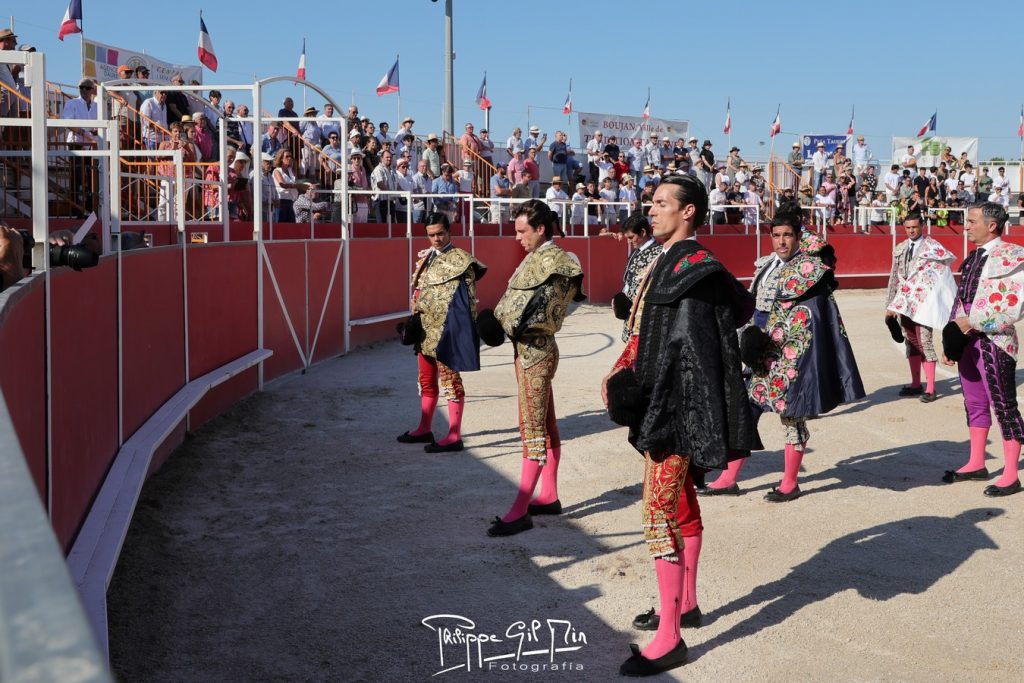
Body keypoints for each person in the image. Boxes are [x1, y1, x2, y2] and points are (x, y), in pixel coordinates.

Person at [601, 176, 756, 676]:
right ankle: (684, 603)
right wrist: (622, 375)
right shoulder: (667, 261)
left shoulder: (695, 268)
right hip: (664, 403)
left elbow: (688, 356)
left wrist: (656, 402)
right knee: (681, 502)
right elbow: (644, 334)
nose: (652, 210)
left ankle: (670, 638)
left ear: (689, 211)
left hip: (675, 411)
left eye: (662, 203)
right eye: (651, 203)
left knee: (657, 513)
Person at [699, 203, 865, 500]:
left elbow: (810, 319)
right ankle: (729, 478)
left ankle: (789, 483)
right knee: (744, 412)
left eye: (788, 235)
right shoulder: (764, 265)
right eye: (776, 235)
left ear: (799, 237)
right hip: (756, 355)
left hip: (789, 356)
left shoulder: (809, 270)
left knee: (792, 417)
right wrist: (745, 340)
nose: (782, 241)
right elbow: (753, 307)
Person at [484, 200, 584, 537]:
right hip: (527, 353)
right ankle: (549, 496)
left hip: (536, 353)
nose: (518, 238)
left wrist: (501, 325)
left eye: (522, 231)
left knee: (532, 428)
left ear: (540, 229)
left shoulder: (561, 263)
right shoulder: (536, 258)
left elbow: (544, 315)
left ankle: (520, 511)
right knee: (545, 424)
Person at [940, 202, 1024, 496]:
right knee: (974, 402)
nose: (966, 227)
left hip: (995, 340)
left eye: (972, 221)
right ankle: (977, 462)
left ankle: (1011, 474)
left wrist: (970, 322)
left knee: (1003, 404)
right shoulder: (973, 258)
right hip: (967, 341)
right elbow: (961, 299)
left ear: (991, 225)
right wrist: (952, 338)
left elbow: (1015, 306)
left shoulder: (1015, 257)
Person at [396, 213, 487, 452]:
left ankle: (454, 435)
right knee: (426, 380)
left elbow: (466, 302)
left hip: (446, 331)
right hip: (424, 331)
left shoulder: (462, 260)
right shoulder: (426, 257)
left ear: (449, 232)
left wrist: (458, 333)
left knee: (451, 382)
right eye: (431, 235)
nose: (436, 239)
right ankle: (424, 428)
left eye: (440, 234)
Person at [885, 211, 956, 402]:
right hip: (905, 303)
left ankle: (931, 388)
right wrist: (890, 304)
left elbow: (942, 277)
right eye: (908, 227)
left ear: (922, 226)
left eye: (914, 227)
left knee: (925, 341)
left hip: (924, 303)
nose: (911, 231)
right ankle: (916, 384)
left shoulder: (933, 248)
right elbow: (894, 278)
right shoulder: (900, 248)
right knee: (911, 341)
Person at [612, 212, 659, 342]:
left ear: (643, 232)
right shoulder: (636, 253)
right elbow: (629, 281)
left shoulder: (659, 253)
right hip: (631, 314)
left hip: (645, 317)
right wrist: (621, 298)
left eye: (631, 237)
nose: (628, 241)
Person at [271, 148, 307, 223]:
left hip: (291, 202)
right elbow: (283, 184)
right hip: (281, 202)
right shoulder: (277, 171)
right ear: (281, 159)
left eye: (290, 156)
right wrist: (300, 186)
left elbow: (296, 183)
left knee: (291, 226)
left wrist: (307, 186)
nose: (289, 158)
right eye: (287, 156)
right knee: (281, 226)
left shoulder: (291, 171)